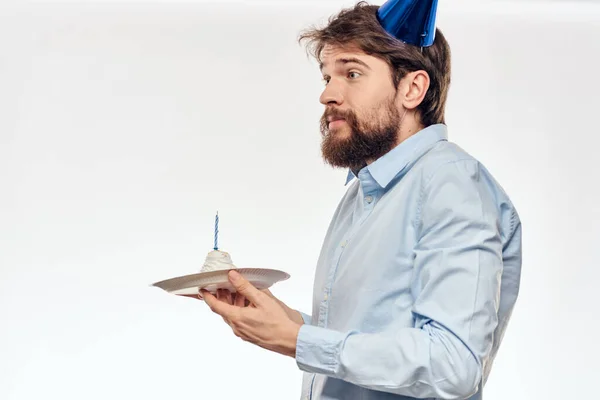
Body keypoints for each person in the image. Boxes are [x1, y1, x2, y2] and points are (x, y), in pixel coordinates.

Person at [199, 1, 522, 399]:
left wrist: (300, 341)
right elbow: (365, 340)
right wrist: (283, 323)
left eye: (352, 73)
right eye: (326, 77)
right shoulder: (363, 190)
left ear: (412, 89)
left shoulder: (453, 184)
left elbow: (453, 364)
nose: (328, 95)